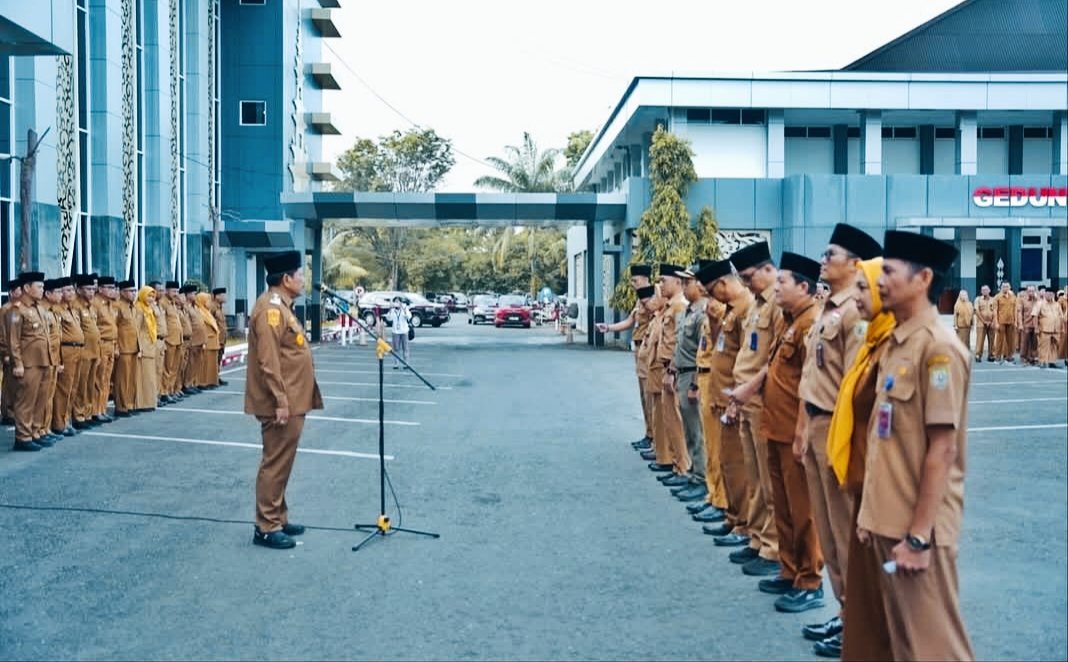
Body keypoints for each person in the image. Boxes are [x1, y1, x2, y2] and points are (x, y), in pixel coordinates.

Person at [856, 230, 974, 661]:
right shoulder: (898, 343)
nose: (879, 280)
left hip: (917, 531)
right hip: (891, 521)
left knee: (937, 649)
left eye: (888, 271)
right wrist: (871, 513)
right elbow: (886, 441)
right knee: (905, 645)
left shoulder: (939, 350)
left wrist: (920, 538)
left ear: (923, 278)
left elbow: (942, 451)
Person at [797, 223, 881, 652]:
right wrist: (800, 429)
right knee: (828, 534)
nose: (823, 261)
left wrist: (843, 441)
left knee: (845, 533)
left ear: (855, 264)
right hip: (814, 424)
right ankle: (843, 612)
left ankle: (857, 622)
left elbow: (855, 384)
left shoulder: (855, 313)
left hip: (836, 429)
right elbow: (813, 375)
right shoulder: (828, 306)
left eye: (831, 255)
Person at [733, 252, 825, 613]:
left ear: (804, 287)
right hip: (774, 425)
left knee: (803, 510)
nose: (778, 288)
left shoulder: (810, 323)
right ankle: (789, 570)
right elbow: (771, 369)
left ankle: (810, 580)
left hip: (793, 432)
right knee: (783, 505)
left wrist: (802, 432)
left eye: (783, 282)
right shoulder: (790, 321)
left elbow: (810, 383)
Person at [825, 257, 895, 661]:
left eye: (866, 288)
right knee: (863, 578)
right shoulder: (873, 344)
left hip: (883, 487)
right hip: (861, 473)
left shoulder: (900, 347)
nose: (859, 297)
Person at [246, 250, 323, 550]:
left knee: (282, 461)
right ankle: (265, 526)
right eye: (299, 275)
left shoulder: (282, 307)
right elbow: (268, 361)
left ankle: (277, 516)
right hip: (282, 402)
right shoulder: (270, 310)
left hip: (292, 399)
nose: (303, 280)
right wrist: (280, 400)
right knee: (275, 462)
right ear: (286, 279)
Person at [726, 241, 784, 578]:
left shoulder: (778, 304)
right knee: (755, 477)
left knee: (768, 480)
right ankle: (758, 538)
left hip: (761, 400)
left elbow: (774, 357)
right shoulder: (758, 305)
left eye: (749, 277)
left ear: (767, 269)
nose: (746, 284)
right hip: (745, 400)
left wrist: (749, 388)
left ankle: (772, 545)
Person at [695, 259, 755, 541]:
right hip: (720, 395)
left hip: (735, 399)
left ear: (722, 283)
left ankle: (743, 522)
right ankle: (732, 516)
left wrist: (735, 399)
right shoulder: (730, 311)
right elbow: (722, 347)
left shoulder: (746, 308)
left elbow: (747, 359)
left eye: (710, 291)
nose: (710, 297)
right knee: (727, 463)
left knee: (738, 467)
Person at [595, 264, 654, 451]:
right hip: (638, 350)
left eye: (636, 281)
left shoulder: (655, 297)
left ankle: (655, 439)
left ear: (646, 279)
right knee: (644, 396)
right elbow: (631, 321)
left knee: (651, 397)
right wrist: (609, 328)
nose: (634, 284)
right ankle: (649, 433)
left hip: (649, 351)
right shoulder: (640, 300)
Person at [668, 265, 710, 503]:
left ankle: (701, 479)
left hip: (694, 375)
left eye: (688, 282)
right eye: (682, 283)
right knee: (690, 429)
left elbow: (702, 352)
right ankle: (694, 472)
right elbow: (679, 346)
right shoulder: (687, 312)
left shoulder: (704, 312)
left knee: (697, 430)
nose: (684, 287)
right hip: (683, 373)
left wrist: (694, 384)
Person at [657, 263, 692, 486]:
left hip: (675, 369)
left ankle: (683, 468)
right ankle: (676, 464)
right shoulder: (670, 306)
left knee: (677, 421)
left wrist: (672, 370)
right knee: (669, 419)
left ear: (677, 283)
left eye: (663, 281)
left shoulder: (679, 306)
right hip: (666, 367)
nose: (660, 285)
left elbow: (679, 342)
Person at [8, 272, 51, 451]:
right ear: (26, 288)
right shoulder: (17, 310)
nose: (42, 290)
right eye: (39, 286)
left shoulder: (39, 308)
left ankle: (34, 432)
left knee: (39, 400)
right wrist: (17, 363)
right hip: (28, 363)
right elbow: (13, 340)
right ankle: (22, 437)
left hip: (43, 361)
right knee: (25, 401)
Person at [52, 279, 84, 434]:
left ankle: (66, 420)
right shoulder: (57, 310)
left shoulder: (72, 309)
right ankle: (59, 423)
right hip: (66, 351)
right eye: (67, 290)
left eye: (72, 290)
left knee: (73, 388)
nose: (71, 293)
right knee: (63, 389)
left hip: (77, 351)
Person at [71, 274, 100, 429]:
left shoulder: (91, 306)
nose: (91, 292)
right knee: (80, 386)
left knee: (90, 386)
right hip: (83, 353)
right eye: (88, 289)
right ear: (79, 289)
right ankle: (78, 415)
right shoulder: (76, 306)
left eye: (92, 289)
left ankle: (87, 413)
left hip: (94, 351)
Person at [93, 277, 118, 422]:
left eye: (113, 288)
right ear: (100, 289)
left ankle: (102, 409)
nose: (112, 290)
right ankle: (96, 410)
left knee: (106, 379)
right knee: (99, 379)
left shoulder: (109, 305)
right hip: (101, 344)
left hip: (110, 344)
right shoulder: (96, 304)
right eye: (108, 287)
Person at [113, 281, 139, 417]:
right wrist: (116, 347)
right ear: (122, 292)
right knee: (122, 379)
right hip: (123, 348)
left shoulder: (132, 307)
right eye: (130, 291)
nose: (133, 293)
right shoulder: (118, 306)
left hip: (133, 347)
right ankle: (121, 406)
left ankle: (128, 404)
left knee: (131, 379)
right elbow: (114, 328)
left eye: (135, 291)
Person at [1, 276, 25, 425]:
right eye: (19, 290)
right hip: (9, 352)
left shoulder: (20, 308)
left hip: (19, 352)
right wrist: (5, 353)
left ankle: (13, 411)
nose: (21, 292)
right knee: (9, 385)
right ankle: (7, 412)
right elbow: (3, 333)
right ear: (11, 292)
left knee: (17, 386)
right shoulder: (6, 309)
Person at [133, 286, 160, 412]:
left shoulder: (149, 309)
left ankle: (150, 401)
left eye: (153, 296)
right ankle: (142, 403)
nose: (150, 299)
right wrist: (139, 348)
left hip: (151, 345)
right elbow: (136, 329)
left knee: (150, 377)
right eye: (148, 296)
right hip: (143, 347)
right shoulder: (138, 308)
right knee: (143, 377)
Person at [196, 292, 222, 387]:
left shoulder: (207, 312)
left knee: (212, 363)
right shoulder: (200, 312)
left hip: (213, 341)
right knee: (205, 363)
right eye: (207, 300)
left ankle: (211, 381)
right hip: (207, 340)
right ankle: (203, 382)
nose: (209, 303)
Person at [1035, 290, 1063, 369]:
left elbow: (1061, 317)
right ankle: (1042, 361)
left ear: (1054, 294)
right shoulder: (1040, 304)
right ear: (1045, 294)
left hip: (1056, 329)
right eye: (1048, 294)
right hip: (1044, 329)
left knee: (1054, 346)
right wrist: (1036, 328)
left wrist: (1062, 328)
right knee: (1043, 346)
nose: (1050, 295)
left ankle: (1052, 361)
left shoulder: (1057, 304)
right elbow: (1035, 316)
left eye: (1052, 294)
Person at [992, 283, 1017, 363]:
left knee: (1011, 340)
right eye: (1004, 286)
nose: (1005, 288)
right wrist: (996, 322)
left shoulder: (1013, 297)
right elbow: (995, 311)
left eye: (1007, 286)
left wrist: (1016, 321)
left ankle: (1009, 356)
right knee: (1000, 340)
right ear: (1001, 287)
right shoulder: (997, 297)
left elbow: (1015, 310)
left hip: (1011, 321)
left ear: (1010, 287)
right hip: (1001, 321)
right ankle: (997, 356)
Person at [385, 297, 412, 369]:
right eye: (395, 302)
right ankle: (396, 363)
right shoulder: (393, 310)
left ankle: (406, 363)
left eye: (398, 302)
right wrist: (390, 309)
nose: (397, 303)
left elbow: (408, 317)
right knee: (396, 348)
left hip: (404, 331)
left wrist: (403, 309)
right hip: (395, 331)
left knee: (405, 348)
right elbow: (389, 318)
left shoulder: (405, 308)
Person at [1016, 285, 1039, 365]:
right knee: (1025, 342)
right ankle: (1023, 357)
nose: (1031, 293)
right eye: (1029, 291)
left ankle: (1033, 357)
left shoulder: (1038, 301)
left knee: (1035, 342)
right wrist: (1020, 324)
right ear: (1026, 292)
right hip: (1026, 324)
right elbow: (1019, 313)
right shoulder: (1023, 300)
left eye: (1033, 291)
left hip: (1035, 325)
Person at [974, 285, 997, 362]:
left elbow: (995, 311)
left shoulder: (993, 300)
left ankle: (991, 355)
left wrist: (992, 321)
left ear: (989, 290)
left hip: (991, 323)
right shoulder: (978, 300)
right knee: (980, 340)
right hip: (981, 323)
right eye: (983, 290)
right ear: (981, 291)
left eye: (986, 290)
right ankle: (978, 355)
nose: (984, 291)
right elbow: (976, 311)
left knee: (992, 340)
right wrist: (984, 321)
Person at [212, 287, 229, 385]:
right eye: (222, 295)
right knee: (215, 359)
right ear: (217, 296)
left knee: (219, 358)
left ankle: (217, 376)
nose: (225, 297)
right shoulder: (213, 307)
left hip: (222, 338)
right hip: (216, 338)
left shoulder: (220, 307)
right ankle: (214, 377)